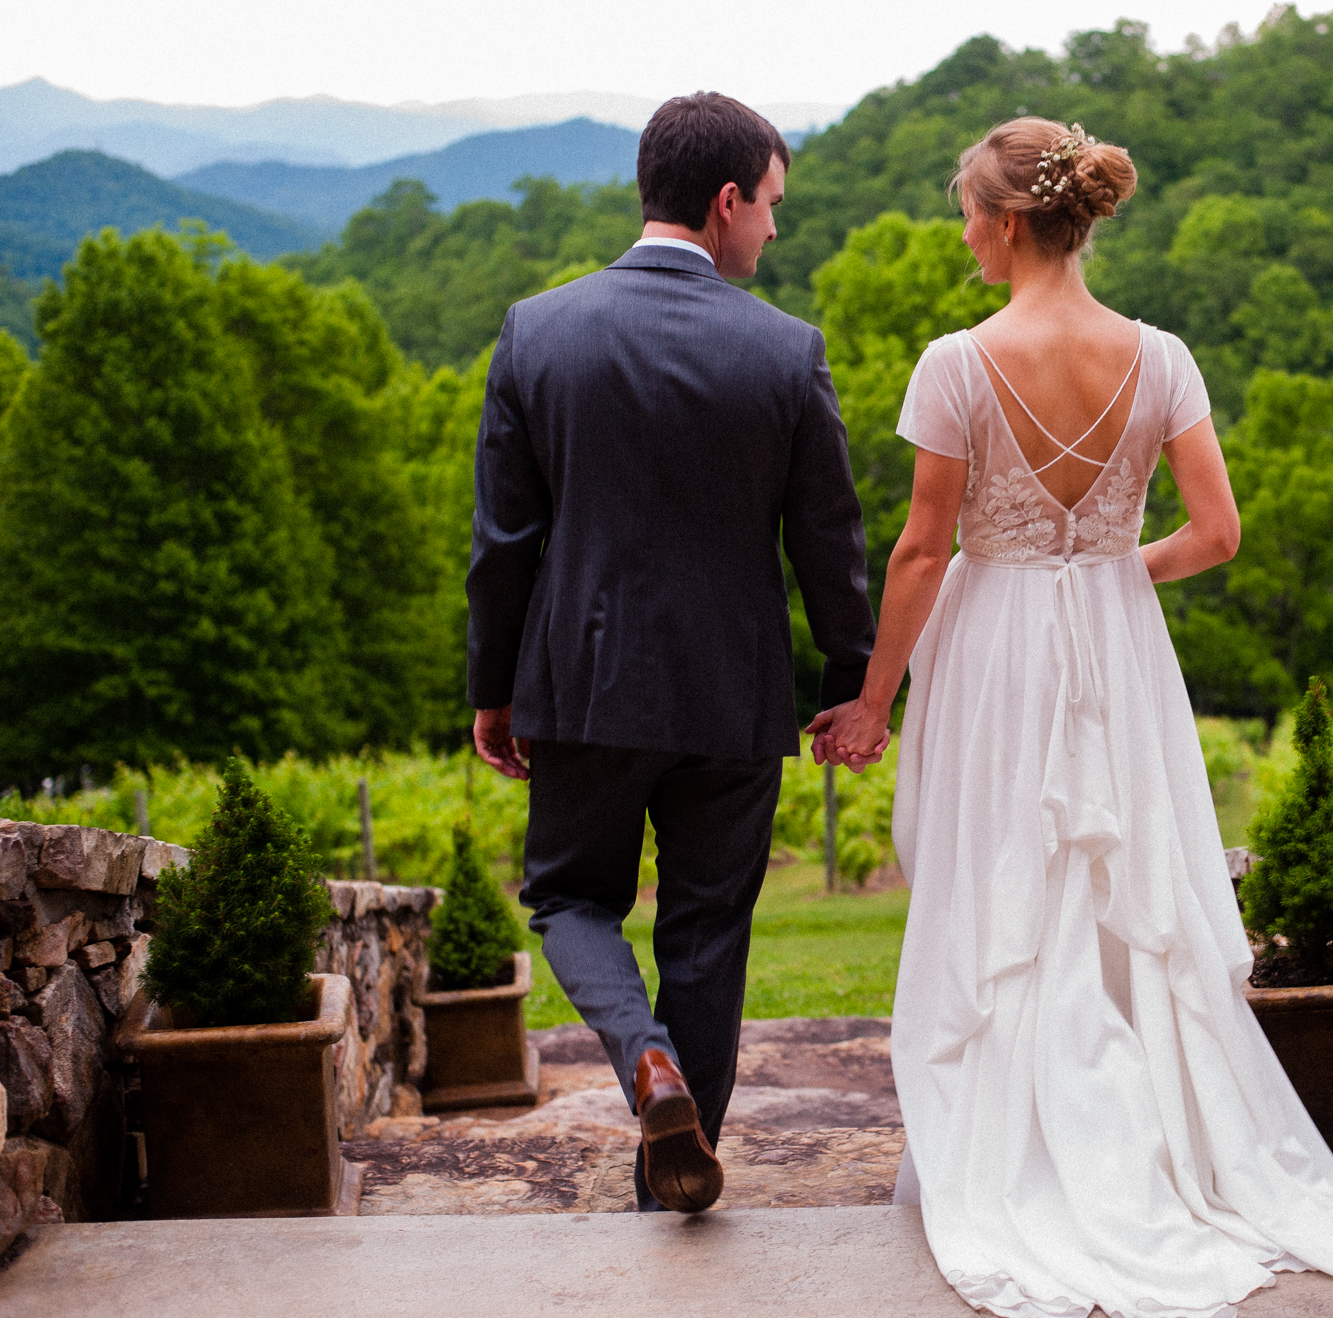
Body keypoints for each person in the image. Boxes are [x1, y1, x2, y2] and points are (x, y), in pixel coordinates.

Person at [812, 119, 1333, 1314]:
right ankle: (1159, 1151)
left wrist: (875, 698)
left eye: (970, 213)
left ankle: (1028, 1157)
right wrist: (1116, 572)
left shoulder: (955, 364)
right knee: (1122, 893)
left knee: (1005, 880)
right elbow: (1219, 534)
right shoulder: (1162, 356)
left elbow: (923, 549)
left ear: (1010, 221)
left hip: (995, 648)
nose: (964, 234)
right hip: (1117, 647)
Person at [467, 92, 878, 1215]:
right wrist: (851, 682)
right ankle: (673, 1163)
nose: (775, 233)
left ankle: (645, 1065)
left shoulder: (536, 330)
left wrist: (493, 690)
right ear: (726, 200)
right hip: (731, 697)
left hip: (582, 684)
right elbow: (830, 543)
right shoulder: (787, 351)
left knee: (567, 899)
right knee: (707, 932)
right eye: (773, 208)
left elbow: (503, 544)